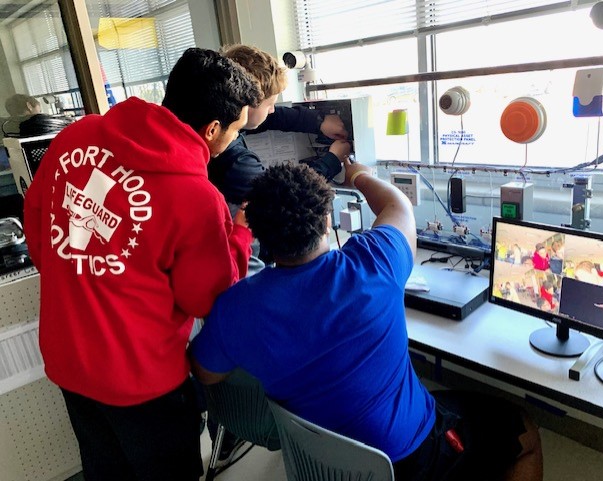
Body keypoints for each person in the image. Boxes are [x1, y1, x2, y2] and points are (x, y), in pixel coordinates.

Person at [190, 161, 543, 481]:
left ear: (259, 234)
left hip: (322, 464)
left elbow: (206, 372)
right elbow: (397, 206)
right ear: (327, 220)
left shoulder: (235, 308)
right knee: (523, 429)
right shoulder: (373, 263)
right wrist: (358, 175)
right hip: (410, 457)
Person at [23, 47, 261, 481]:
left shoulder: (74, 137)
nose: (233, 140)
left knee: (105, 471)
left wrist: (91, 267)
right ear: (211, 130)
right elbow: (208, 298)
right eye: (235, 130)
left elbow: (41, 239)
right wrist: (240, 233)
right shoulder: (196, 197)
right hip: (142, 380)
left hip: (68, 359)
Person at [210, 44, 351, 219]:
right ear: (248, 104)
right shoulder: (236, 163)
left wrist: (319, 122)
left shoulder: (220, 117)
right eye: (270, 104)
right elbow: (285, 195)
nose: (272, 110)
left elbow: (271, 118)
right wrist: (332, 160)